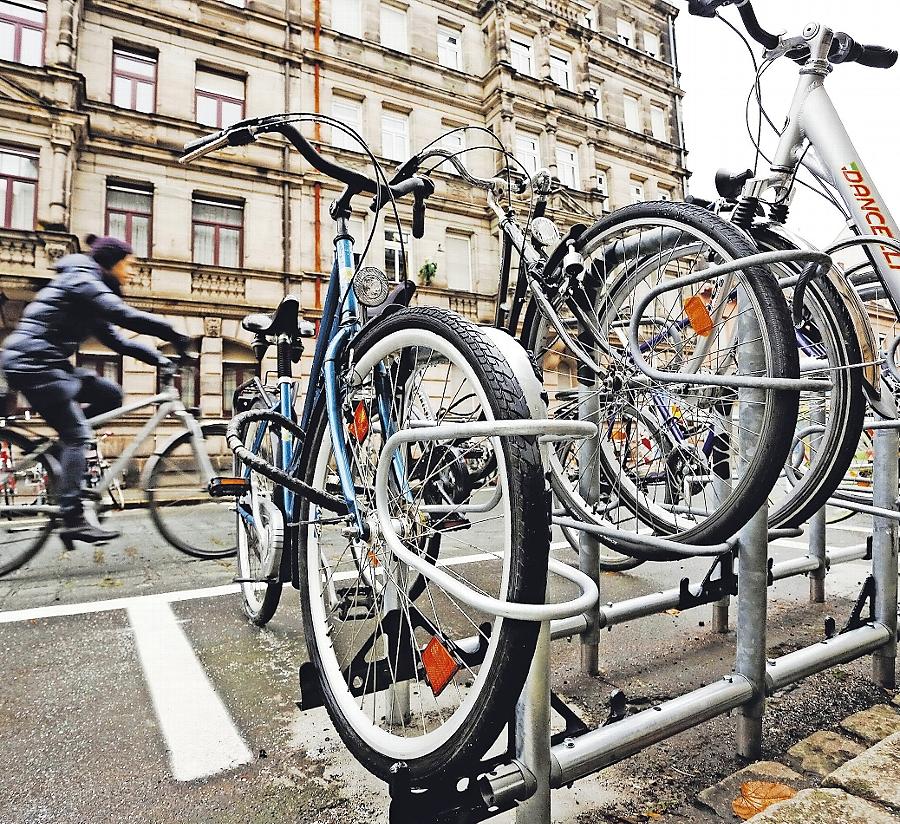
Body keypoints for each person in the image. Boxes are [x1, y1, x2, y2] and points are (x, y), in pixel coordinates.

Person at [0, 235, 191, 548]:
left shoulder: (88, 294)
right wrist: (173, 333)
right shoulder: (82, 279)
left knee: (110, 394)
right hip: (33, 364)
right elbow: (124, 315)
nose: (132, 272)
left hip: (47, 364)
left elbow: (119, 341)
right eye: (129, 265)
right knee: (78, 435)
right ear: (112, 263)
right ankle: (72, 518)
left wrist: (160, 359)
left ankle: (62, 451)